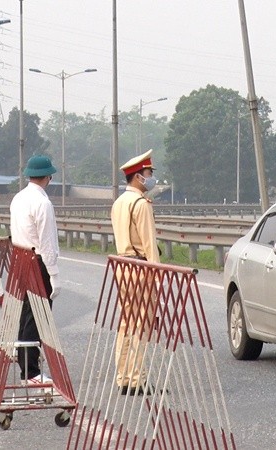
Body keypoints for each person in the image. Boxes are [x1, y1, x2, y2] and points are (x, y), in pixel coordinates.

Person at [110, 149, 160, 395]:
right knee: (141, 325)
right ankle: (137, 378)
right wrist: (158, 276)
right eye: (149, 173)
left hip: (123, 266)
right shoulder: (141, 204)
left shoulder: (119, 203)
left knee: (126, 325)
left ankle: (123, 377)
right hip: (141, 268)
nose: (151, 178)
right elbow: (150, 245)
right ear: (139, 177)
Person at [9, 155, 60, 387]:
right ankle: (31, 371)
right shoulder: (43, 203)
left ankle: (25, 365)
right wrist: (54, 275)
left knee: (24, 315)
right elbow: (47, 243)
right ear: (49, 177)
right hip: (37, 261)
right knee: (37, 317)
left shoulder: (18, 198)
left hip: (19, 259)